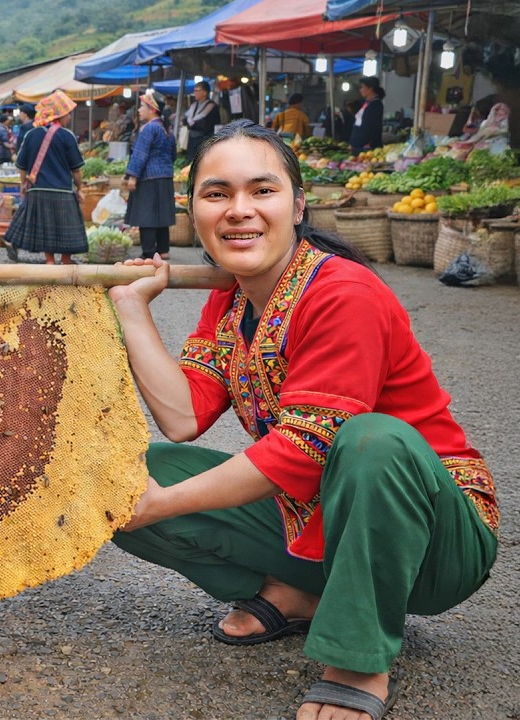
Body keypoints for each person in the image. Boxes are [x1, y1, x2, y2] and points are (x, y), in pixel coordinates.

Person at [107, 120, 497, 720]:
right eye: (218, 194)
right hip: (314, 515)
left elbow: (303, 452)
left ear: (298, 203)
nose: (240, 211)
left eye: (261, 190)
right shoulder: (231, 296)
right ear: (194, 209)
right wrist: (133, 309)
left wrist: (165, 504)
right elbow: (182, 418)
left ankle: (358, 658)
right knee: (131, 474)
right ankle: (301, 593)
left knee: (372, 442)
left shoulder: (344, 293)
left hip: (435, 540)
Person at [1, 90, 86, 265]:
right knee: (65, 227)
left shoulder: (31, 134)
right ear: (59, 114)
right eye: (67, 113)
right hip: (62, 189)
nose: (69, 117)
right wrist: (80, 188)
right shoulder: (66, 136)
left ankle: (49, 260)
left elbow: (22, 165)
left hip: (38, 189)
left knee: (47, 227)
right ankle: (66, 259)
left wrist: (23, 185)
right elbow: (76, 169)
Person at [124, 91, 176, 260]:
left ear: (152, 109)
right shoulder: (166, 128)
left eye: (142, 106)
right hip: (166, 177)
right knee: (162, 215)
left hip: (149, 177)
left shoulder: (148, 128)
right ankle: (163, 250)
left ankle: (149, 252)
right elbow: (173, 155)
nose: (139, 110)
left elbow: (139, 154)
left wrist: (132, 176)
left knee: (146, 215)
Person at [182, 80, 220, 165]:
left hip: (204, 140)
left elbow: (205, 124)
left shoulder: (211, 106)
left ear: (205, 93)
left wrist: (190, 123)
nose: (194, 93)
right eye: (194, 90)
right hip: (192, 139)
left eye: (197, 91)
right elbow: (186, 119)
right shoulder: (193, 105)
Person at [349, 77, 385, 154]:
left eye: (362, 87)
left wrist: (370, 144)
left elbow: (374, 126)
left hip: (366, 148)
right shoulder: (367, 103)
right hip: (357, 146)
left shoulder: (375, 105)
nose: (360, 90)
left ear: (370, 88)